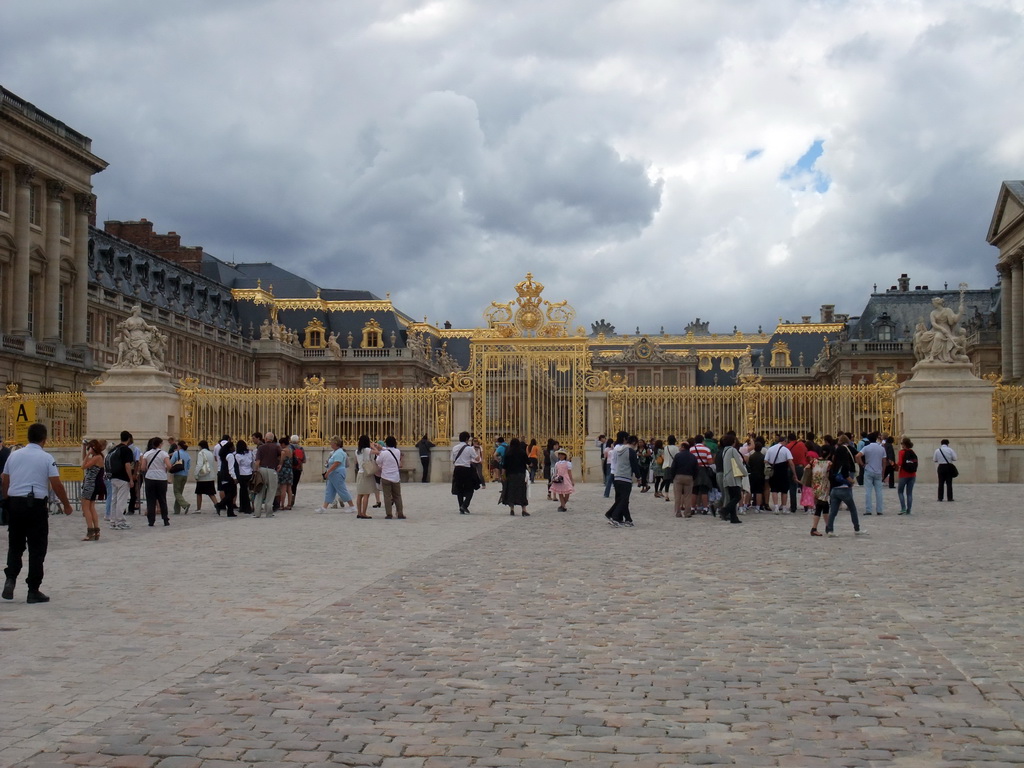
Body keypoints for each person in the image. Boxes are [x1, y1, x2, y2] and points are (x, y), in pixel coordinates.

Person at [3, 422, 73, 603]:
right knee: (37, 548)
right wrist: (66, 504)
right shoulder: (46, 458)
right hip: (35, 506)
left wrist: (7, 499)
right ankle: (33, 589)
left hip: (16, 504)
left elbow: (5, 479)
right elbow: (56, 484)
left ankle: (10, 578)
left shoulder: (14, 456)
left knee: (15, 544)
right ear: (44, 439)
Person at [825, 436, 867, 537]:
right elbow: (845, 475)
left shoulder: (834, 465)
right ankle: (857, 529)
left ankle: (830, 530)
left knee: (833, 511)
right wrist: (852, 481)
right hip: (844, 489)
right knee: (852, 509)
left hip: (834, 490)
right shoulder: (845, 464)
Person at [606, 432, 640, 528]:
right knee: (624, 499)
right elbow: (634, 466)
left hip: (616, 475)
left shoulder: (617, 449)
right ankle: (615, 516)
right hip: (625, 477)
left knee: (621, 499)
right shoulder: (630, 451)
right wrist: (639, 477)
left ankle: (626, 519)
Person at [106, 431, 135, 530]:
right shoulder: (126, 450)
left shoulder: (114, 449)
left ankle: (113, 521)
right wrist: (131, 479)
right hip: (123, 478)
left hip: (113, 477)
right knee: (121, 500)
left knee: (114, 500)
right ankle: (120, 521)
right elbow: (127, 465)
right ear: (129, 438)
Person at [140, 437, 172, 526]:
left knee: (151, 500)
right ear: (160, 444)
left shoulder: (147, 454)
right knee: (162, 499)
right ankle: (165, 519)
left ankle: (151, 520)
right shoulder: (164, 454)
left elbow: (143, 467)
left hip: (150, 477)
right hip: (161, 478)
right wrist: (165, 468)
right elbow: (169, 466)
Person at [79, 438, 107, 541]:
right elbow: (85, 461)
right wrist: (84, 449)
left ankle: (90, 531)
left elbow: (83, 466)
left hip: (90, 485)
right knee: (91, 507)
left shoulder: (97, 458)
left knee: (86, 508)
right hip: (93, 484)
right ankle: (96, 531)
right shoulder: (98, 457)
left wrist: (88, 454)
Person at [319, 436, 355, 512]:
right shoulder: (336, 452)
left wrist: (328, 472)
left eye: (331, 443)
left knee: (342, 490)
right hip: (333, 474)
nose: (330, 444)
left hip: (337, 473)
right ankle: (324, 507)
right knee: (329, 490)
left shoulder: (339, 452)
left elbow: (336, 463)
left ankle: (352, 506)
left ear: (335, 443)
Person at [857, 432, 887, 516]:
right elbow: (884, 461)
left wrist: (862, 464)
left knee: (868, 491)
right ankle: (879, 510)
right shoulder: (881, 448)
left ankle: (868, 509)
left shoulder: (866, 448)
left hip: (869, 470)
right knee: (879, 492)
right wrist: (883, 471)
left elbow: (857, 456)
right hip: (878, 471)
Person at [252, 431, 282, 518]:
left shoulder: (261, 448)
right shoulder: (276, 447)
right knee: (271, 491)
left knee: (259, 490)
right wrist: (280, 463)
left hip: (262, 469)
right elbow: (283, 453)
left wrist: (256, 471)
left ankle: (257, 512)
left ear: (265, 439)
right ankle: (268, 511)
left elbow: (257, 461)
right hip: (272, 470)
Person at [375, 436, 405, 519]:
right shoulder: (398, 451)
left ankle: (389, 513)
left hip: (386, 476)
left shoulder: (383, 453)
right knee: (397, 496)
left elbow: (378, 461)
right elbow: (391, 451)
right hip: (395, 477)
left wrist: (379, 451)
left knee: (387, 496)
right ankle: (400, 513)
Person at [764, 435, 796, 514]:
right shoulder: (785, 450)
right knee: (784, 490)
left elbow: (765, 460)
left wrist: (771, 465)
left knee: (774, 489)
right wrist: (794, 473)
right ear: (784, 441)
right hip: (783, 470)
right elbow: (791, 462)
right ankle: (784, 507)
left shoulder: (770, 449)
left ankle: (776, 507)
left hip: (774, 470)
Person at [719, 434, 746, 524]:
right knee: (737, 496)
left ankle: (734, 517)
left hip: (727, 476)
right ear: (733, 442)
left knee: (732, 497)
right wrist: (744, 472)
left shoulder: (724, 451)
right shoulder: (732, 450)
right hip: (733, 476)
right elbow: (738, 463)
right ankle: (724, 510)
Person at [451, 431, 479, 514]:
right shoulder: (469, 448)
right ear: (467, 439)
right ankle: (465, 505)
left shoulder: (455, 448)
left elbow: (452, 460)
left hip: (457, 469)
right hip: (466, 469)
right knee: (470, 489)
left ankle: (460, 506)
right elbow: (477, 459)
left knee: (459, 488)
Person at [808, 444, 833, 536]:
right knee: (820, 506)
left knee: (825, 506)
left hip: (815, 486)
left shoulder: (813, 461)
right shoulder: (829, 463)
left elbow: (806, 468)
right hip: (824, 486)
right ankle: (814, 528)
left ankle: (828, 526)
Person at [502, 438, 530, 516]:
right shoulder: (522, 452)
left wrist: (503, 475)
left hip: (510, 475)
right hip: (521, 474)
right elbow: (528, 462)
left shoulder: (508, 453)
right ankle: (524, 509)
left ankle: (512, 509)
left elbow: (504, 466)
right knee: (522, 491)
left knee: (511, 492)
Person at [670, 441, 698, 518]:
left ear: (683, 447)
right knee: (688, 496)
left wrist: (673, 477)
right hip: (689, 477)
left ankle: (678, 512)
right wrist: (693, 477)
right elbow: (696, 469)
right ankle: (687, 513)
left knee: (677, 496)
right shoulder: (693, 456)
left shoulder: (678, 456)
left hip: (678, 476)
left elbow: (673, 467)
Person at [354, 434, 378, 519]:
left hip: (360, 473)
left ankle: (359, 512)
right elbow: (377, 452)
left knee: (359, 495)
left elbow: (356, 462)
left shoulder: (357, 451)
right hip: (366, 473)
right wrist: (373, 447)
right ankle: (364, 513)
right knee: (366, 495)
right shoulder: (367, 450)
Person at [193, 439, 218, 513]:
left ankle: (198, 508)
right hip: (210, 476)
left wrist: (196, 473)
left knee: (199, 493)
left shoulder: (201, 453)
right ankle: (217, 505)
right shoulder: (210, 453)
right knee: (211, 493)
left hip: (203, 476)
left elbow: (199, 464)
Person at [896, 437, 919, 515]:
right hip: (912, 474)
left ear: (904, 444)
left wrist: (894, 465)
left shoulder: (901, 452)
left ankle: (903, 508)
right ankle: (909, 509)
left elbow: (900, 463)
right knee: (909, 493)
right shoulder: (912, 452)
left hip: (903, 474)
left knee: (900, 492)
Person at [216, 438, 238, 517]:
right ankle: (220, 504)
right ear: (230, 448)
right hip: (229, 477)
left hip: (223, 476)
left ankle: (230, 511)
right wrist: (234, 477)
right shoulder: (230, 455)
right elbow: (231, 468)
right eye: (233, 447)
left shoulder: (224, 455)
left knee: (228, 493)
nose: (234, 448)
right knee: (232, 494)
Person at [169, 440, 191, 515]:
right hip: (185, 474)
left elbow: (171, 463)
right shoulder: (187, 454)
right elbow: (188, 466)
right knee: (179, 492)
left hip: (178, 474)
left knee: (176, 492)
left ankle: (185, 504)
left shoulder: (176, 453)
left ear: (179, 446)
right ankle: (176, 510)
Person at [233, 440, 254, 514]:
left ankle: (246, 507)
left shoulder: (237, 455)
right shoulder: (250, 453)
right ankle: (244, 506)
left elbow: (237, 466)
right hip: (249, 472)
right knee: (245, 490)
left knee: (243, 490)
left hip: (242, 474)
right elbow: (252, 462)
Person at [276, 435, 294, 510]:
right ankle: (289, 504)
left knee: (283, 488)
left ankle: (282, 504)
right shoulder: (290, 450)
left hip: (284, 470)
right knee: (289, 488)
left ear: (283, 444)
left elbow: (281, 462)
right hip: (290, 470)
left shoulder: (283, 451)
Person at [289, 435, 306, 502]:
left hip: (290, 468)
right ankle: (293, 498)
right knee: (295, 485)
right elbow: (304, 460)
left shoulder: (289, 447)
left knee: (288, 485)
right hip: (298, 469)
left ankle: (289, 499)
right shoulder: (301, 448)